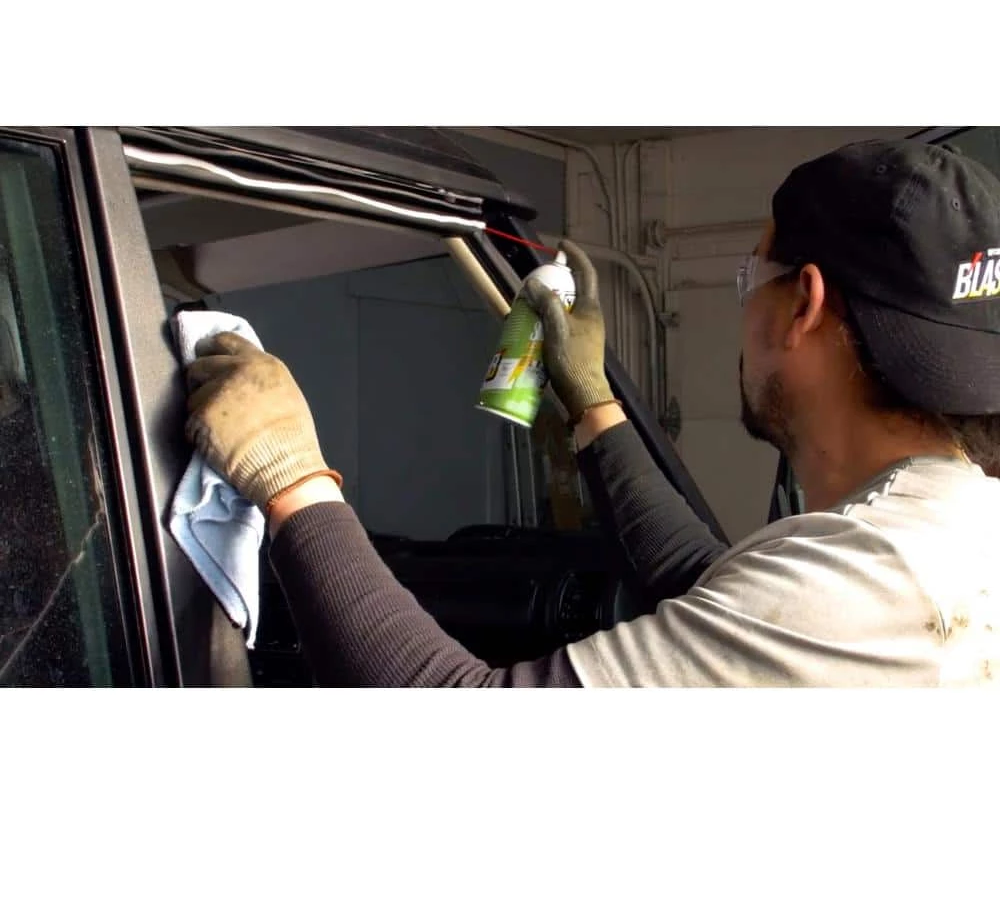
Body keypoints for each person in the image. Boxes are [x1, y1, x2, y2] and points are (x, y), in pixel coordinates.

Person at [185, 139, 1000, 686]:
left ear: (804, 306)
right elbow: (717, 590)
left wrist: (290, 479)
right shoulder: (946, 537)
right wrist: (593, 402)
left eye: (751, 277)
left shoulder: (870, 582)